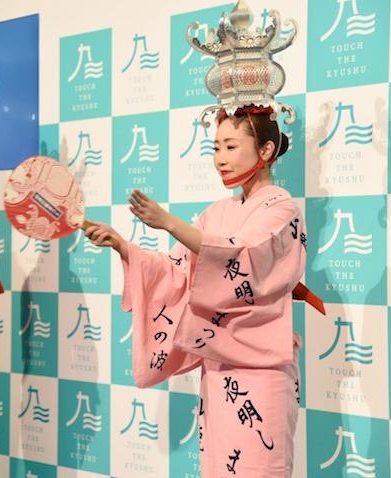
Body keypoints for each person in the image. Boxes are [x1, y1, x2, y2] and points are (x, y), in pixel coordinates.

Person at [86, 102, 321, 476]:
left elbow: (243, 254)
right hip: (218, 365)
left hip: (263, 368)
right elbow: (177, 272)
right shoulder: (216, 212)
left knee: (261, 468)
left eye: (231, 146)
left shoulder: (282, 209)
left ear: (266, 150)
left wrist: (169, 222)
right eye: (216, 147)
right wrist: (123, 246)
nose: (220, 158)